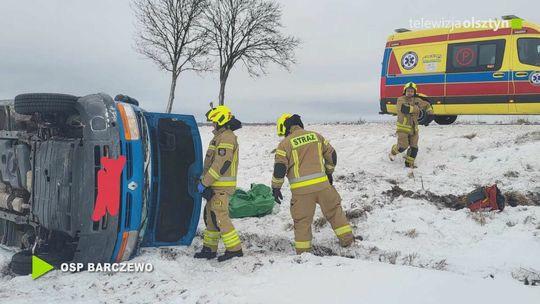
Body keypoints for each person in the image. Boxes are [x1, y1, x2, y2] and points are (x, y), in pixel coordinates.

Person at [271, 113, 354, 254]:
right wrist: (329, 173)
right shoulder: (316, 136)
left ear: (287, 129)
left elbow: (280, 168)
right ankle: (348, 241)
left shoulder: (284, 144)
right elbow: (332, 155)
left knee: (302, 222)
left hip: (302, 193)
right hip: (323, 187)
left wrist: (276, 187)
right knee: (335, 212)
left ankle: (304, 255)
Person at [194, 105, 243, 262]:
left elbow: (221, 164)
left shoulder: (227, 137)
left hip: (220, 186)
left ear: (220, 121)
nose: (212, 124)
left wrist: (205, 182)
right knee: (211, 217)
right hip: (214, 185)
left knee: (221, 217)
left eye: (214, 121)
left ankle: (235, 249)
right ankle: (209, 249)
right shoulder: (219, 137)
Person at [389, 82, 433, 169]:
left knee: (414, 148)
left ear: (414, 92)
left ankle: (409, 163)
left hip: (414, 129)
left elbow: (427, 105)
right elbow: (405, 109)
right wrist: (419, 110)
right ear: (405, 91)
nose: (410, 93)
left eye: (412, 91)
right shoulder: (400, 99)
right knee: (402, 147)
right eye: (408, 91)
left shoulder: (417, 100)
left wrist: (430, 114)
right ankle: (393, 151)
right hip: (403, 128)